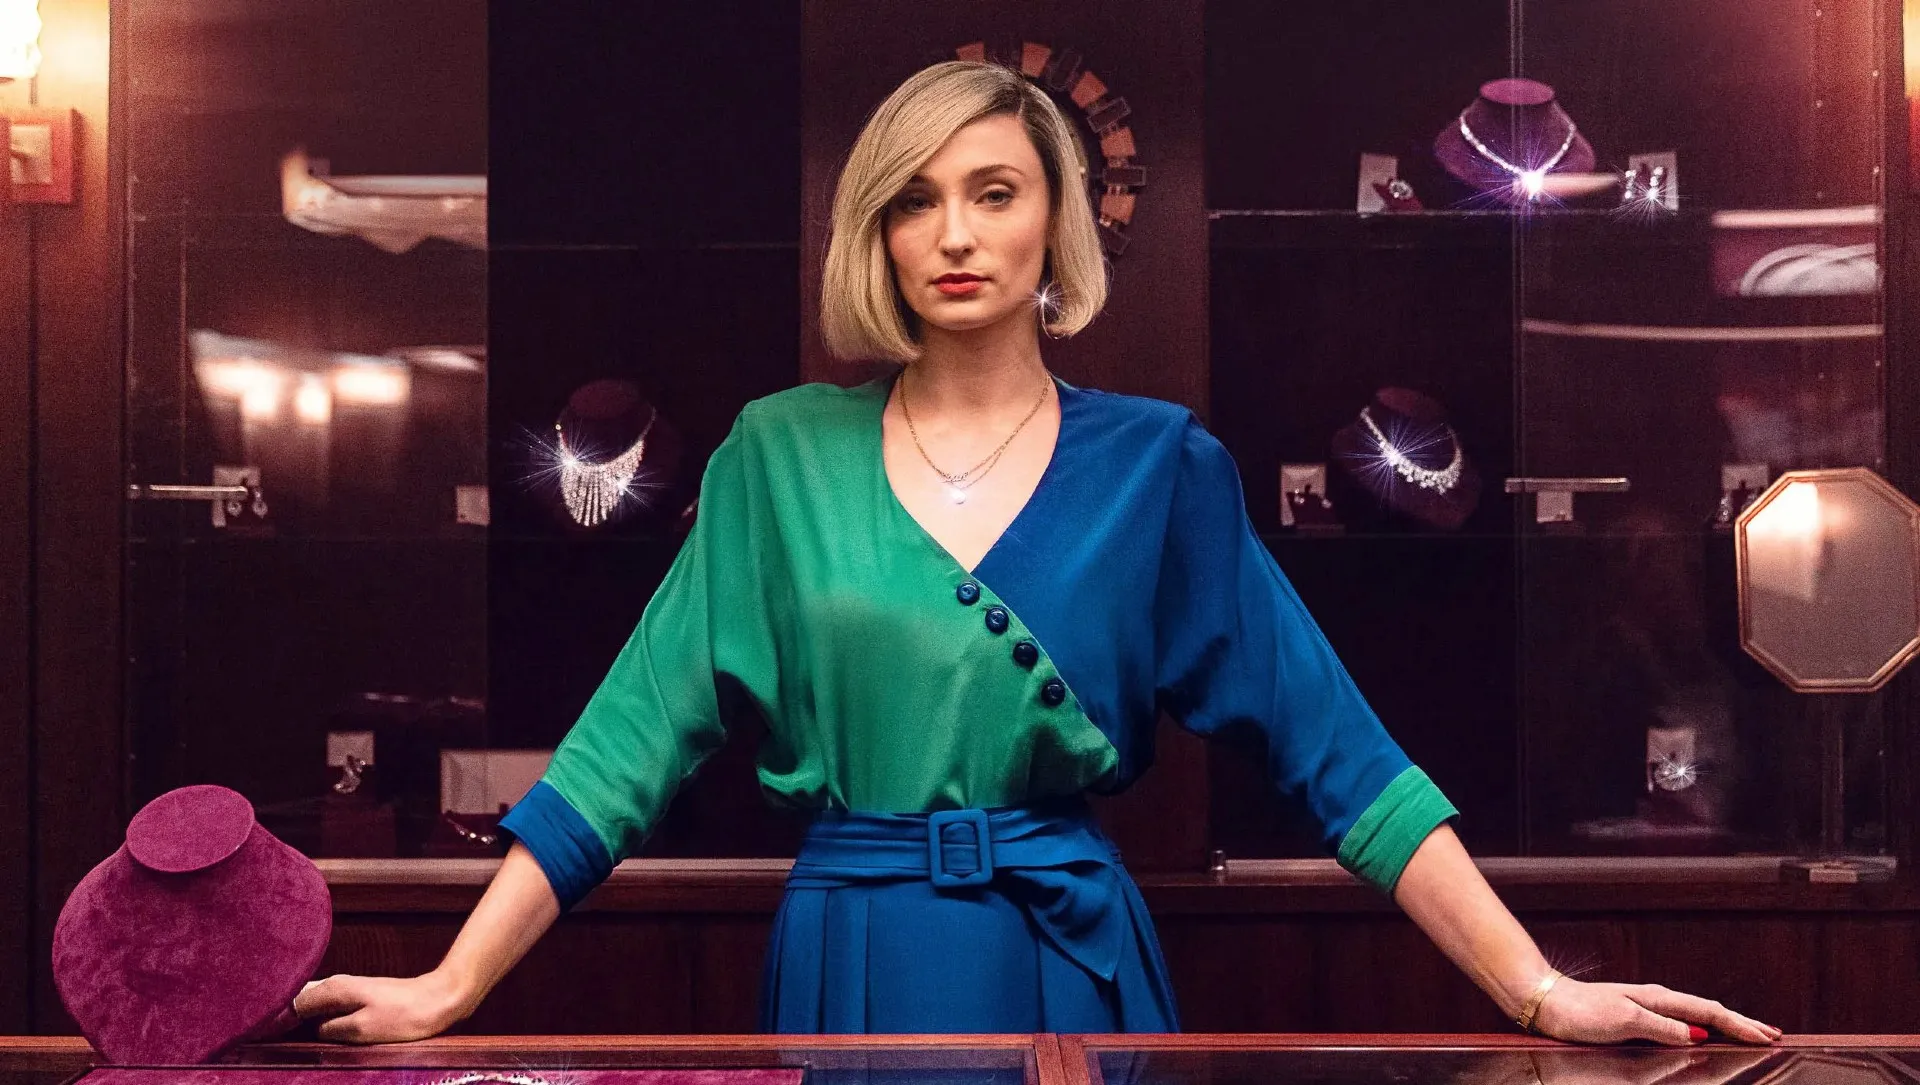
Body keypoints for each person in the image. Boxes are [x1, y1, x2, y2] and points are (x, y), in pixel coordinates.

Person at [295, 60, 1782, 1044]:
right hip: (846, 956)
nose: (954, 232)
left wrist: (1535, 989)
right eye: (915, 199)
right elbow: (621, 752)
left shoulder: (1160, 468)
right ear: (874, 236)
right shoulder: (776, 457)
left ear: (1053, 220)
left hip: (1070, 957)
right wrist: (449, 986)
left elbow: (1344, 758)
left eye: (994, 192)